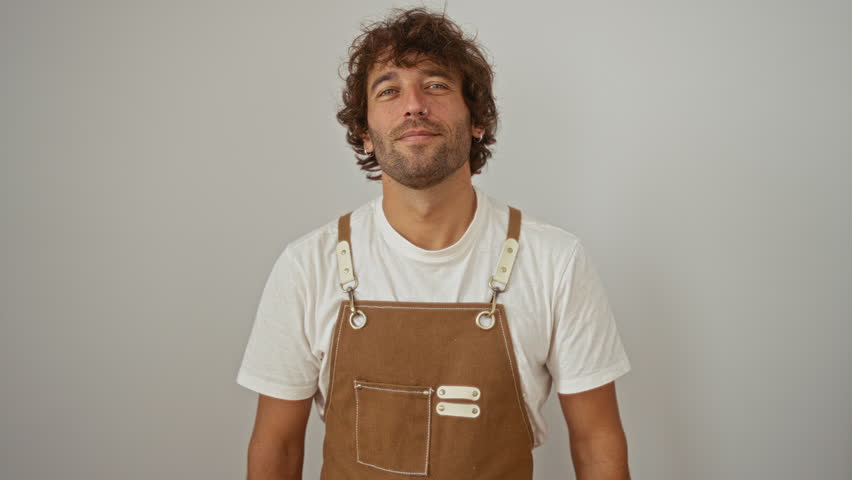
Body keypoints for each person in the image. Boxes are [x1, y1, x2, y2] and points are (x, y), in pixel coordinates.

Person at [237, 7, 631, 479]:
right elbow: (277, 447)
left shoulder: (555, 262)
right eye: (388, 90)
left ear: (478, 120)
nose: (413, 104)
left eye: (436, 85)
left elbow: (596, 442)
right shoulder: (306, 266)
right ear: (365, 133)